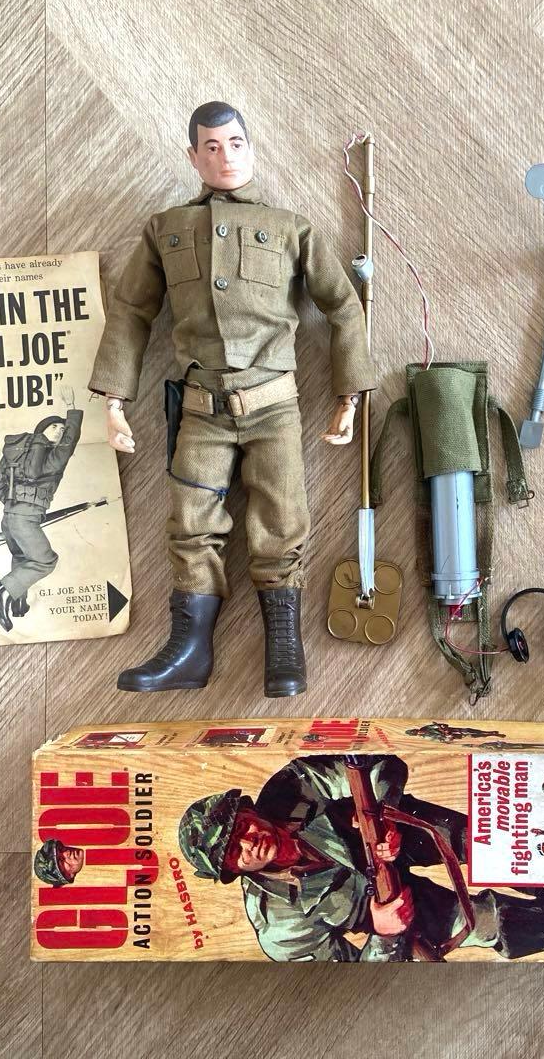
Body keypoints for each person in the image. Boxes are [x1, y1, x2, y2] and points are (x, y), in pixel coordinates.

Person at [89, 101, 376, 697]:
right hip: (201, 408)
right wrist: (113, 400)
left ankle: (284, 648)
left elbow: (343, 306)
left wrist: (348, 394)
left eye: (236, 143)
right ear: (193, 156)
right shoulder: (166, 229)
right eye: (212, 147)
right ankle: (189, 651)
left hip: (274, 406)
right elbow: (131, 309)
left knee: (282, 521)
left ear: (252, 148)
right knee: (190, 523)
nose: (225, 157)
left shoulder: (290, 228)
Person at [178, 754, 544, 964]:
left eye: (242, 825)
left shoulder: (291, 786)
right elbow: (347, 982)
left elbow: (374, 763)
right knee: (487, 924)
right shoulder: (278, 926)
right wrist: (384, 934)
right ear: (230, 872)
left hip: (394, 829)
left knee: (479, 840)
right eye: (234, 851)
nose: (250, 841)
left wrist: (381, 816)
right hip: (389, 906)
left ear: (249, 810)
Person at [0, 387, 82, 630]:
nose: (59, 431)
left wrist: (14, 505)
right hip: (25, 520)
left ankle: (18, 605)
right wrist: (71, 410)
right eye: (54, 427)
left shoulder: (16, 456)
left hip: (9, 518)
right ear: (41, 432)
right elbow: (69, 443)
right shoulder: (54, 458)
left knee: (21, 557)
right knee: (45, 561)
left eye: (62, 428)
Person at [404, 722, 507, 743]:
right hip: (453, 736)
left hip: (454, 730)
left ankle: (490, 732)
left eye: (414, 730)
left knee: (471, 730)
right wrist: (447, 735)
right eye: (414, 732)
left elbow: (437, 725)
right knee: (473, 736)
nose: (417, 731)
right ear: (415, 734)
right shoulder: (426, 737)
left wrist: (441, 727)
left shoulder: (425, 728)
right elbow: (441, 739)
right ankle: (491, 734)